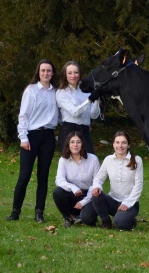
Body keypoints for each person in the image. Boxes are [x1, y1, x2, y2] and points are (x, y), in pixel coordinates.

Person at [6, 59, 59, 223]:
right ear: (38, 72)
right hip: (31, 136)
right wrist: (23, 137)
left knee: (43, 177)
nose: (46, 73)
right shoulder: (31, 91)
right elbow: (24, 116)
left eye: (49, 71)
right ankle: (15, 212)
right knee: (24, 176)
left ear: (53, 73)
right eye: (43, 70)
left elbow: (62, 115)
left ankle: (39, 212)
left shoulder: (56, 92)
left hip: (48, 137)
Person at [91, 130, 143, 230]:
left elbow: (139, 185)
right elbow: (98, 178)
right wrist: (97, 186)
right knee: (96, 195)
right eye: (117, 142)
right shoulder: (108, 159)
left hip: (130, 203)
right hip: (113, 200)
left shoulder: (137, 160)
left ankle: (130, 220)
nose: (120, 146)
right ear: (113, 144)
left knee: (120, 224)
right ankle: (106, 221)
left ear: (128, 145)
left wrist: (127, 203)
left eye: (124, 143)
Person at [53, 131, 100, 228]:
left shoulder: (93, 159)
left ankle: (85, 216)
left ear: (82, 143)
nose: (75, 145)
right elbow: (59, 180)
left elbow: (97, 183)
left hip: (89, 195)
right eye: (72, 142)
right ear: (68, 144)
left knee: (89, 220)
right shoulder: (63, 160)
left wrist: (84, 201)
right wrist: (73, 187)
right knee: (58, 192)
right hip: (73, 194)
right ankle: (68, 218)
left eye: (78, 142)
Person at [56, 61, 101, 154]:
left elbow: (94, 116)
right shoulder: (61, 92)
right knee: (70, 164)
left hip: (85, 130)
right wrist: (90, 99)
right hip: (69, 131)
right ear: (65, 74)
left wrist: (97, 99)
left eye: (76, 72)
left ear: (80, 73)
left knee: (89, 160)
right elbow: (74, 112)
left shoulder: (86, 90)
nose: (73, 75)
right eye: (69, 73)